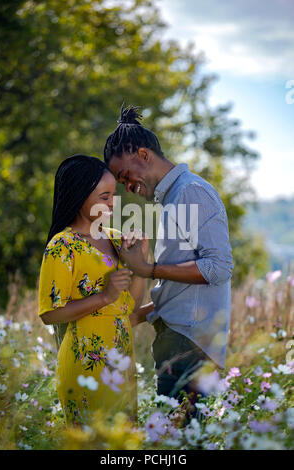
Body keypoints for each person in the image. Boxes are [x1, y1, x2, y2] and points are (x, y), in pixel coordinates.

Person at [104, 105, 234, 411]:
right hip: (182, 339)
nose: (129, 188)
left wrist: (146, 269)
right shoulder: (175, 196)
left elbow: (218, 267)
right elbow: (184, 292)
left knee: (175, 445)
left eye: (125, 176)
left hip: (188, 345)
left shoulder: (190, 192)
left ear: (144, 155)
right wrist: (136, 316)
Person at [38, 154, 147, 426]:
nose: (112, 204)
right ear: (80, 196)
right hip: (85, 363)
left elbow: (129, 307)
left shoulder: (114, 238)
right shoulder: (62, 245)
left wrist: (140, 258)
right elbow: (50, 313)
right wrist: (104, 297)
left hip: (122, 360)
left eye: (113, 196)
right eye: (104, 196)